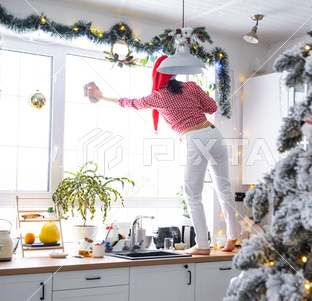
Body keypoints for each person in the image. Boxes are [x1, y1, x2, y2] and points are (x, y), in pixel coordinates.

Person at [87, 55, 238, 255]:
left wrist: (102, 96)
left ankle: (202, 245)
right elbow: (212, 107)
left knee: (192, 193)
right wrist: (192, 105)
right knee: (224, 188)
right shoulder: (191, 86)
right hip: (214, 134)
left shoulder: (158, 96)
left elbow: (130, 103)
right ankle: (232, 236)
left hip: (195, 138)